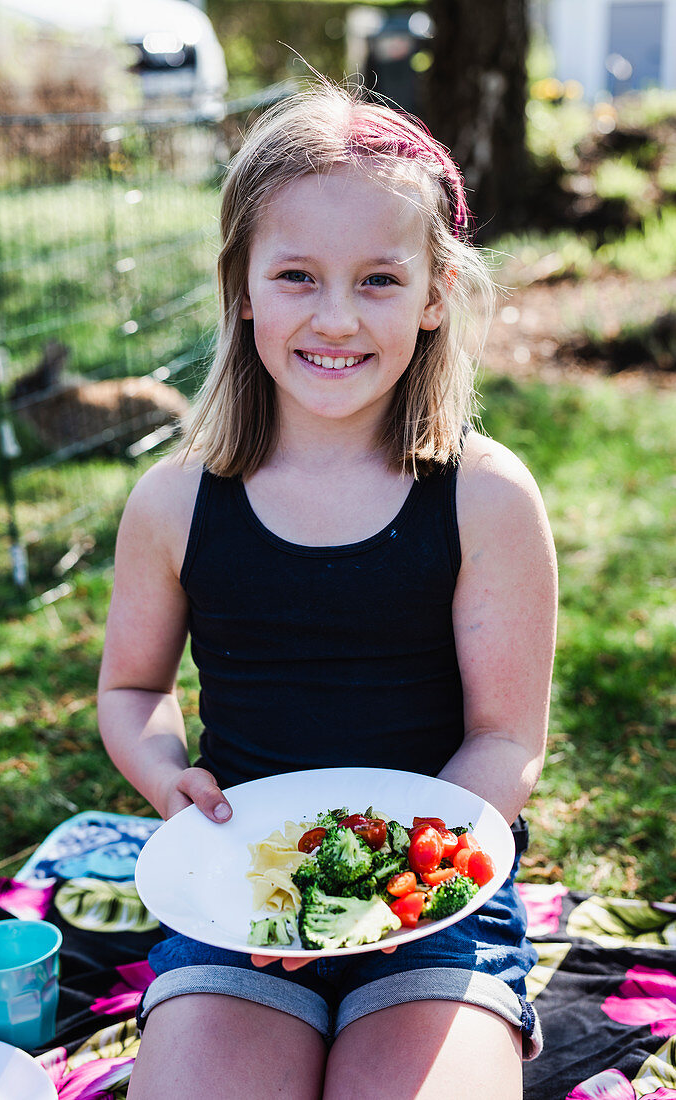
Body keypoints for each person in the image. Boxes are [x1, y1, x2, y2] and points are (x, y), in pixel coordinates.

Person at [97, 80, 557, 1099]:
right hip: (240, 899)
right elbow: (131, 689)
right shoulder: (174, 499)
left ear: (436, 290)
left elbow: (504, 740)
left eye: (379, 279)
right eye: (297, 275)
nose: (336, 317)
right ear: (244, 284)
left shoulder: (481, 495)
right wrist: (164, 775)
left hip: (435, 895)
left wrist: (386, 894)